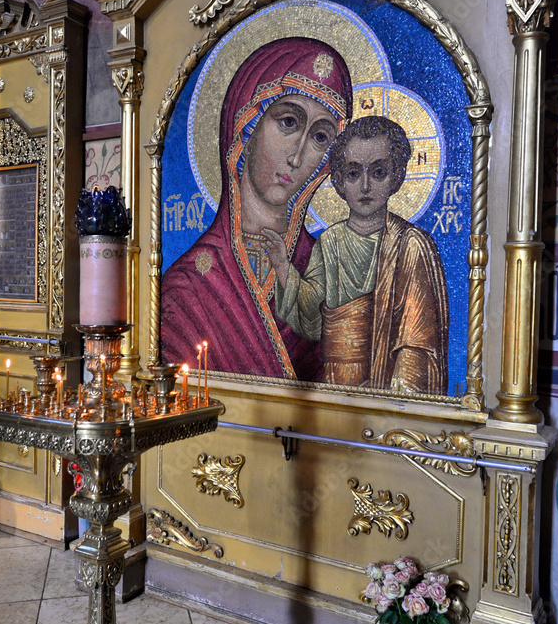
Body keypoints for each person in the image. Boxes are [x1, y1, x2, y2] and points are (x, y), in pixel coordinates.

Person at [160, 37, 353, 380]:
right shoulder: (188, 286)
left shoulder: (326, 267)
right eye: (289, 123)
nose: (297, 157)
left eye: (320, 137)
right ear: (246, 125)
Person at [263, 115, 449, 393]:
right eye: (353, 173)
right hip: (335, 386)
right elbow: (312, 319)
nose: (364, 187)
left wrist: (398, 402)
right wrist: (281, 265)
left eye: (378, 172)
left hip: (385, 391)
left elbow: (417, 341)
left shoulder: (410, 245)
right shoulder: (331, 241)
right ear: (338, 181)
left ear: (397, 176)